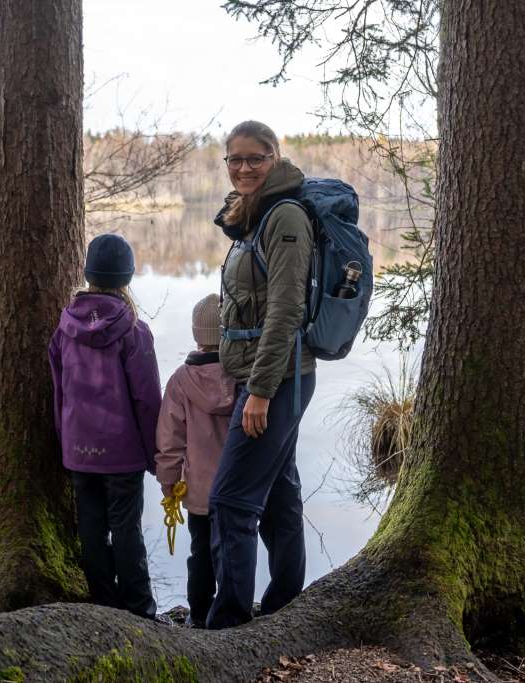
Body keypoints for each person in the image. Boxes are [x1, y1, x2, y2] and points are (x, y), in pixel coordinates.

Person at [206, 120, 316, 628]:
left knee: (230, 500)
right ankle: (284, 605)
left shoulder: (285, 215)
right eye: (236, 159)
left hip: (276, 381)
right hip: (267, 379)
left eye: (256, 158)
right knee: (278, 492)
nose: (245, 167)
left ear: (275, 157)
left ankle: (228, 623)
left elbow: (286, 311)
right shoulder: (252, 215)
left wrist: (261, 392)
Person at [47, 233, 159, 619]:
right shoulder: (133, 331)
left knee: (91, 528)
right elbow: (147, 401)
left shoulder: (64, 330)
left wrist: (66, 444)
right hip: (123, 453)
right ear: (126, 279)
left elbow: (59, 393)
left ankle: (103, 606)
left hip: (79, 450)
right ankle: (140, 609)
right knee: (127, 529)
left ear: (88, 274)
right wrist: (156, 457)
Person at [154, 293, 236, 628]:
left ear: (195, 334)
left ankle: (199, 615)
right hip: (238, 489)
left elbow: (170, 440)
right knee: (233, 552)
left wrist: (168, 481)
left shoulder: (179, 382)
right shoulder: (245, 378)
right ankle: (232, 613)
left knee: (200, 554)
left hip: (200, 491)